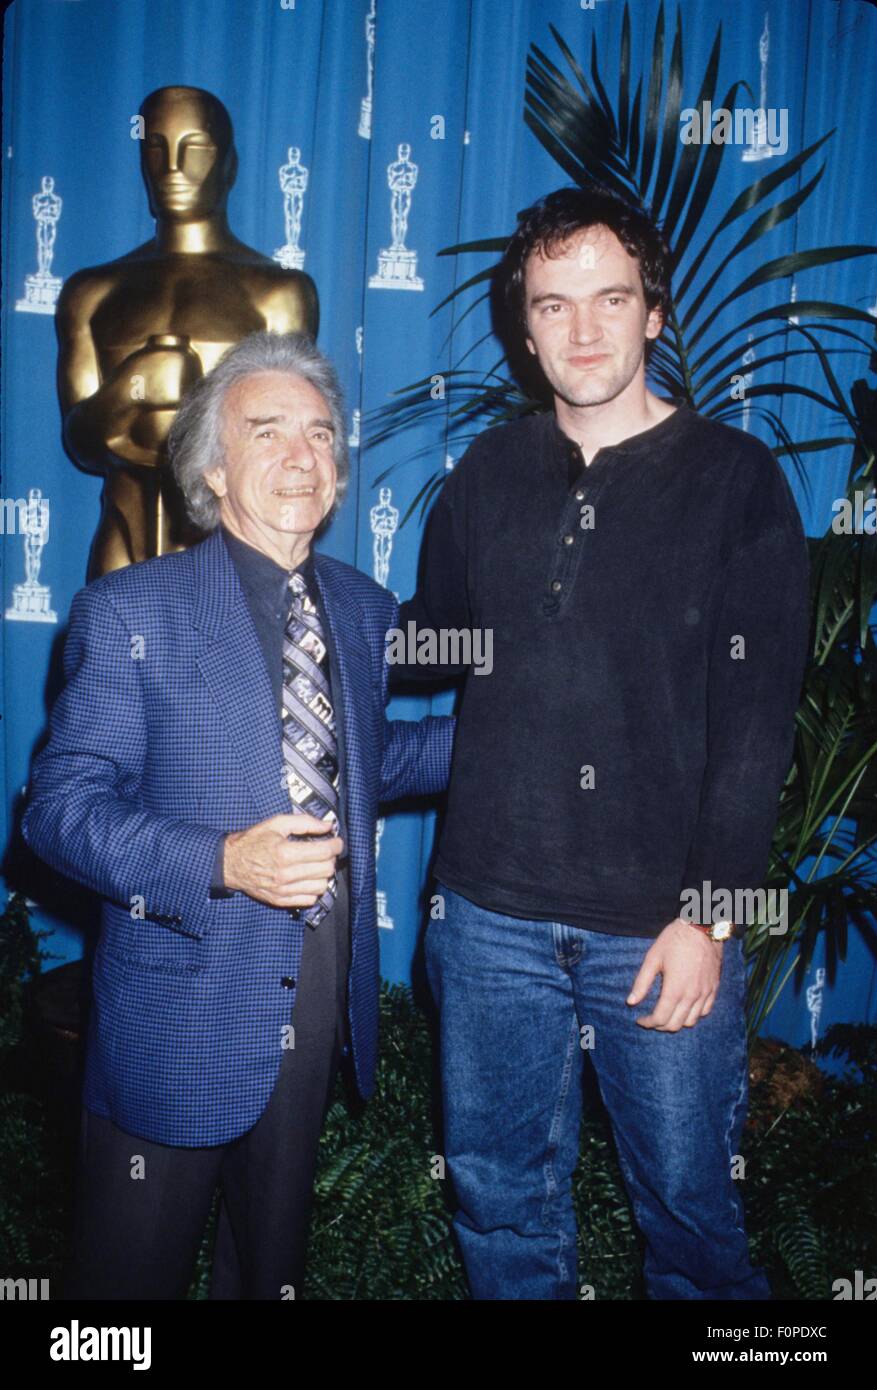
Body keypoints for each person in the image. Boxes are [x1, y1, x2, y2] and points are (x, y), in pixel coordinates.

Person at [396, 184, 811, 1300]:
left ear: (653, 315)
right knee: (500, 1204)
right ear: (521, 327)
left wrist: (709, 915)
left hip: (654, 932)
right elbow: (432, 646)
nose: (581, 330)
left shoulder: (737, 484)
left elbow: (754, 725)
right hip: (486, 920)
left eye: (608, 299)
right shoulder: (485, 476)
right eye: (552, 305)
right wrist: (289, 602)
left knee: (689, 1216)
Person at [22, 330, 454, 1300]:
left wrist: (521, 738)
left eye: (318, 434)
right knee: (122, 1293)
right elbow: (59, 810)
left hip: (313, 999)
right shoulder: (131, 609)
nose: (302, 455)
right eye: (268, 433)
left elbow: (368, 759)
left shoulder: (361, 605)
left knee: (268, 1273)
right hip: (180, 1008)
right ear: (213, 467)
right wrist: (222, 858)